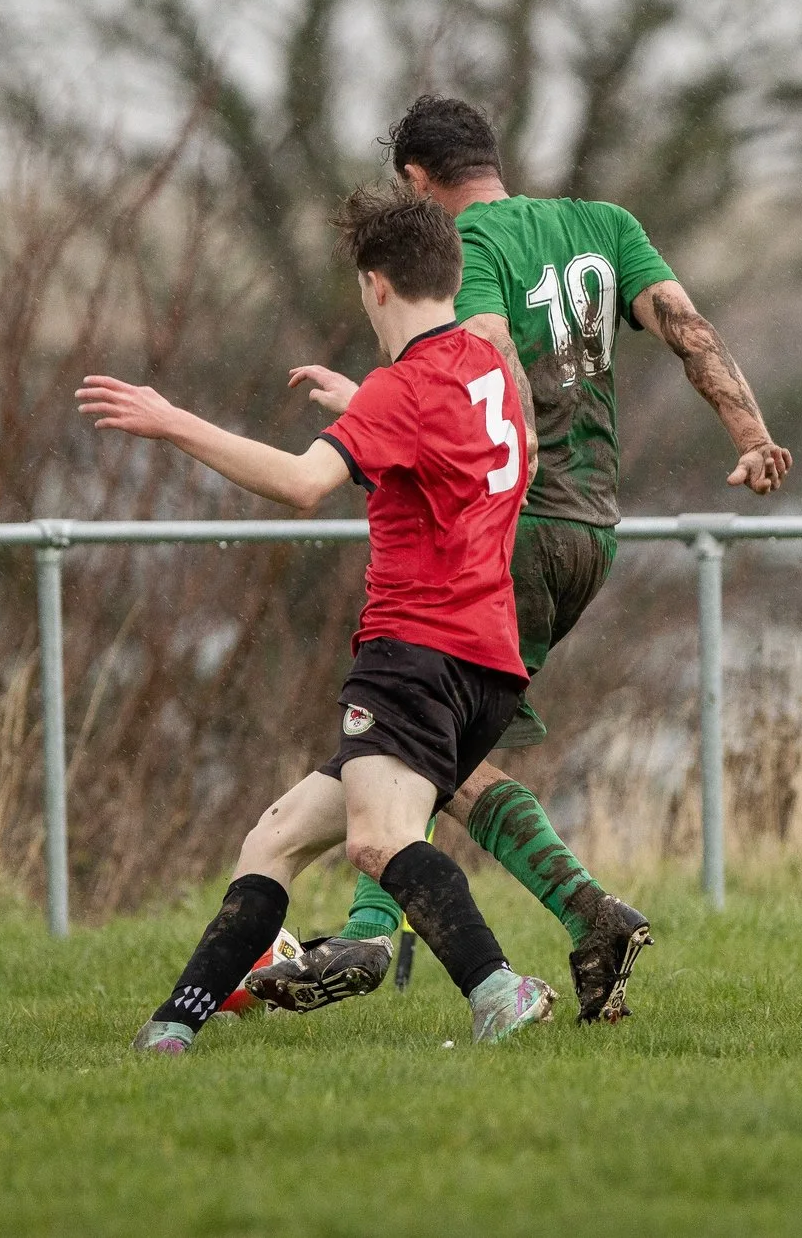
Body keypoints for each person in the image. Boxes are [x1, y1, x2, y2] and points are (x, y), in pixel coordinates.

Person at [244, 93, 793, 1024]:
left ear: (418, 184)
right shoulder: (604, 224)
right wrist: (753, 435)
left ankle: (394, 931)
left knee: (415, 740)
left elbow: (484, 349)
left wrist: (497, 481)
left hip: (516, 530)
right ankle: (485, 922)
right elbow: (689, 328)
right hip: (593, 532)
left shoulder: (473, 249)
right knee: (445, 747)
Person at [79, 184, 558, 1052]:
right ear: (449, 275)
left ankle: (501, 992)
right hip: (485, 665)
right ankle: (172, 1029)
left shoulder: (400, 389)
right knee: (277, 836)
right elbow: (459, 468)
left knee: (379, 842)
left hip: (414, 654)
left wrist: (173, 421)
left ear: (376, 287)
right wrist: (364, 411)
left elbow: (303, 485)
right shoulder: (487, 367)